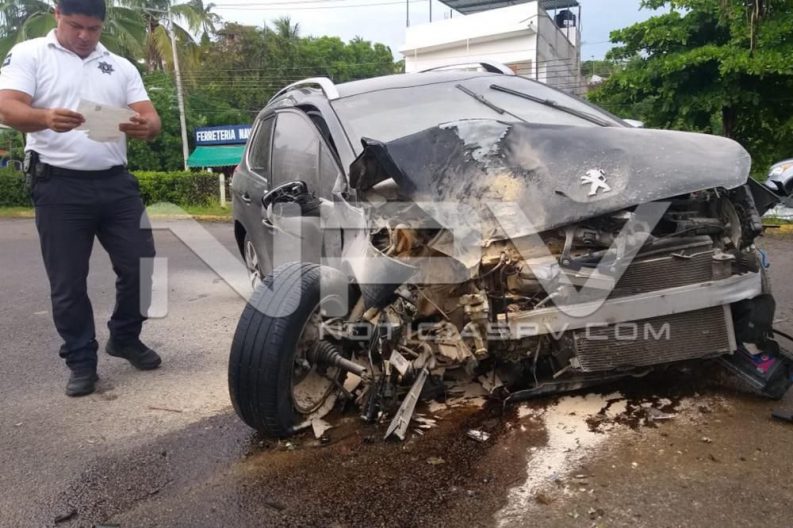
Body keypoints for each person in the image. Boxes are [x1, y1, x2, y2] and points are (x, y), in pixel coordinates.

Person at [0, 0, 163, 397]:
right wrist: (43, 118)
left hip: (115, 184)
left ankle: (124, 337)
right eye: (76, 26)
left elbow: (151, 116)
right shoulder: (30, 54)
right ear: (57, 14)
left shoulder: (121, 65)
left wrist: (147, 127)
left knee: (142, 265)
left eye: (94, 29)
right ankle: (81, 360)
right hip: (58, 186)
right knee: (69, 282)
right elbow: (6, 105)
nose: (85, 36)